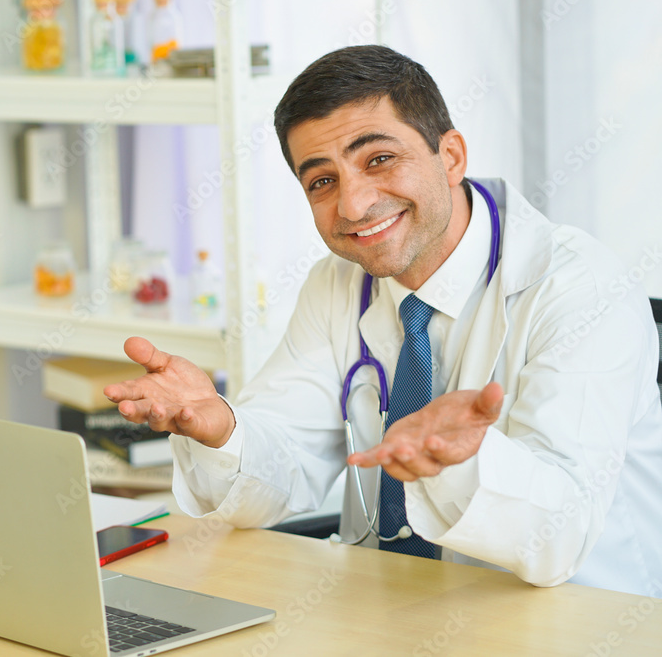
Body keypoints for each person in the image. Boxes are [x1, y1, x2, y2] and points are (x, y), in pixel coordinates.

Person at [104, 45, 662, 597]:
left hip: (573, 622)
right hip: (385, 609)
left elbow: (560, 533)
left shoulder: (581, 289)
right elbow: (284, 465)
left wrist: (457, 461)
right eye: (322, 180)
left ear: (451, 157)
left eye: (379, 159)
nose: (352, 205)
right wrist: (224, 430)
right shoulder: (338, 282)